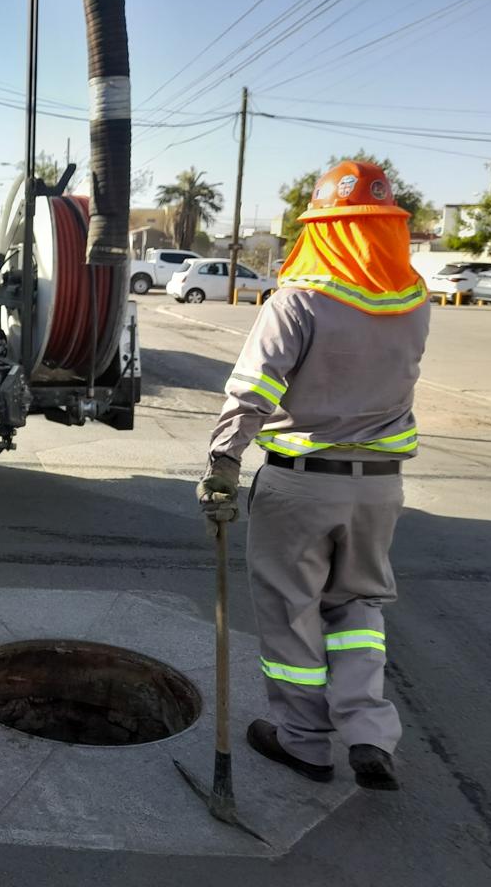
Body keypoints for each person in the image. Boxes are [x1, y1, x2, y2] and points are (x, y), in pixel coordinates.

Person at [197, 160, 429, 792]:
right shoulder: (415, 304)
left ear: (321, 229)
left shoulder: (297, 303)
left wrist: (222, 462)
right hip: (380, 486)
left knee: (292, 607)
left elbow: (253, 392)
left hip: (302, 483)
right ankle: (369, 732)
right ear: (388, 229)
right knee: (358, 605)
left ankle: (304, 741)